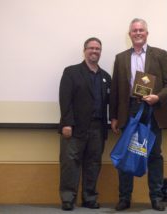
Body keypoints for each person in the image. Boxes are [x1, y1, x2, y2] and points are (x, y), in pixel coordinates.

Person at [109, 18, 167, 211]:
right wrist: (113, 116)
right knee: (126, 154)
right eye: (134, 30)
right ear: (129, 34)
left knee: (155, 155)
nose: (138, 33)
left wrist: (158, 97)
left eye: (141, 30)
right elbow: (115, 90)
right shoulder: (120, 58)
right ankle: (124, 198)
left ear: (147, 33)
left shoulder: (160, 55)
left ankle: (156, 198)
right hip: (129, 111)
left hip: (153, 111)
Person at [58, 37, 111, 211]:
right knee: (70, 163)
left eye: (98, 49)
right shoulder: (71, 72)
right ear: (84, 50)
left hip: (97, 128)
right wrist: (67, 123)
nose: (94, 51)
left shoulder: (105, 77)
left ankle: (89, 197)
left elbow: (111, 102)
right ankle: (68, 198)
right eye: (91, 48)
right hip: (74, 128)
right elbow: (65, 100)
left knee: (93, 163)